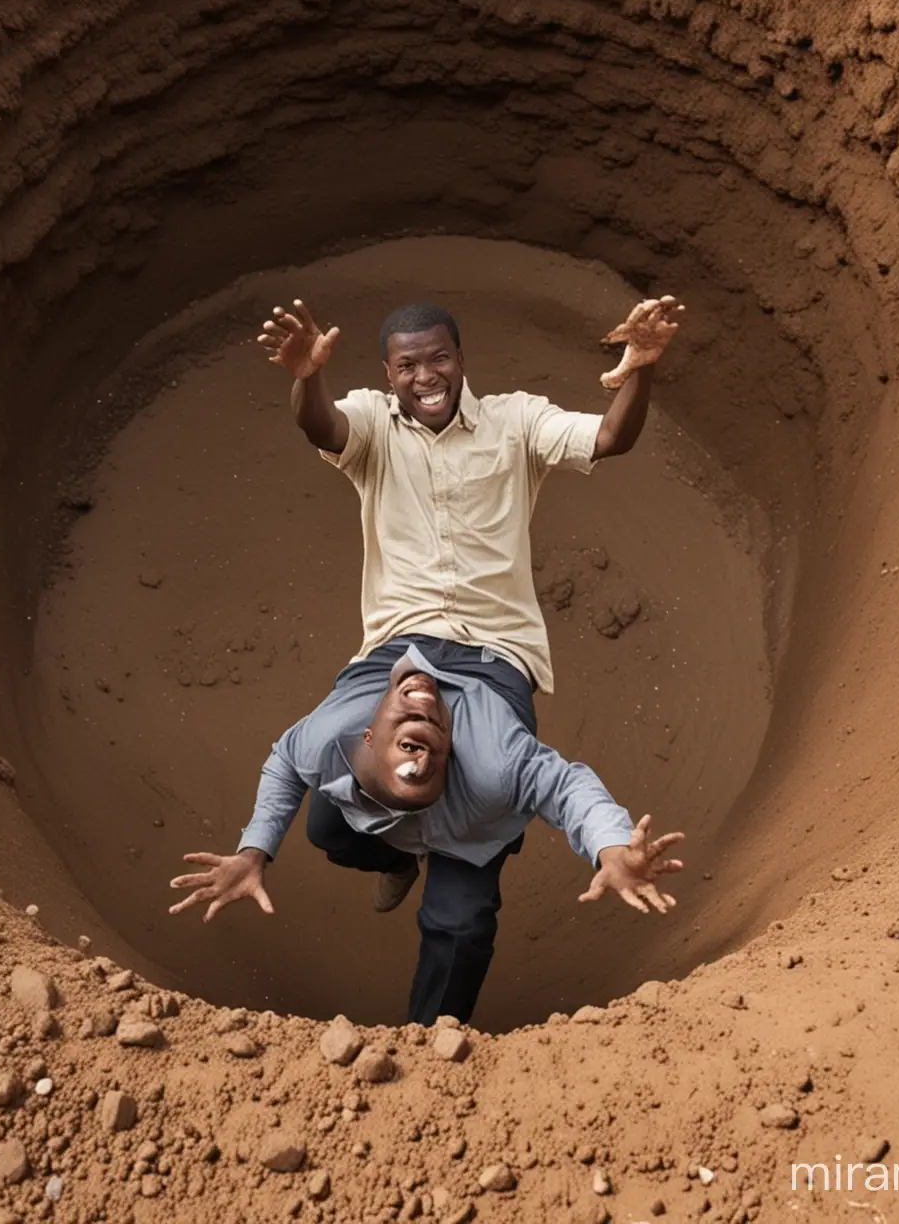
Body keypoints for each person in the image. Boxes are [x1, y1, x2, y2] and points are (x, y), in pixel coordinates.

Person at [169, 639, 684, 1026]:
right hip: (418, 789)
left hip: (472, 811)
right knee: (327, 825)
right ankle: (398, 860)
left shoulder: (495, 762)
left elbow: (568, 788)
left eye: (425, 747)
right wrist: (255, 850)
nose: (421, 743)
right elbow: (284, 761)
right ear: (366, 740)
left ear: (451, 741)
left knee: (462, 925)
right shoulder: (328, 738)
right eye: (414, 743)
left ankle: (428, 1043)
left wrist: (608, 845)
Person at [252, 292, 683, 699]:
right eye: (407, 366)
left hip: (497, 650)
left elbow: (610, 437)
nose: (425, 377)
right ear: (388, 373)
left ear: (460, 359)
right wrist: (309, 379)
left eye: (439, 358)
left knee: (497, 764)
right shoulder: (373, 421)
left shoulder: (517, 419)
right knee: (319, 745)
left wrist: (642, 366)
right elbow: (322, 426)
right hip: (394, 647)